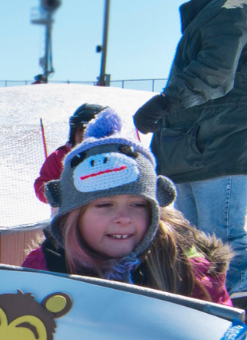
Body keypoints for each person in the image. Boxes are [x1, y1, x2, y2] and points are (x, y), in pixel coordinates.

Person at [129, 0, 247, 318]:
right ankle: (205, 311)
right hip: (194, 146)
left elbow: (216, 71)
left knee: (222, 236)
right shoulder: (211, 13)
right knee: (195, 242)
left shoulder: (231, 8)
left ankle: (241, 319)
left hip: (221, 143)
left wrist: (166, 101)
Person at [23, 109, 234, 306]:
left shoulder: (189, 271)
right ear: (72, 214)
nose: (124, 218)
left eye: (138, 204)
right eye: (105, 204)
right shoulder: (44, 268)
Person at [34, 103, 108, 203]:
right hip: (70, 213)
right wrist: (55, 191)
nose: (84, 135)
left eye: (90, 131)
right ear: (73, 133)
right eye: (80, 130)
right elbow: (41, 184)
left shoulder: (110, 156)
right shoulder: (60, 156)